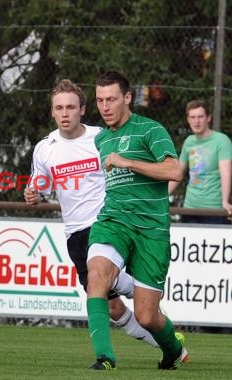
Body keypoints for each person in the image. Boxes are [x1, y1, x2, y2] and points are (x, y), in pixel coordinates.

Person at [24, 79, 161, 349]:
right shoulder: (45, 148)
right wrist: (33, 194)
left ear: (82, 110)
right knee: (113, 309)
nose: (65, 113)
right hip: (75, 232)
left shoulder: (101, 138)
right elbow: (39, 185)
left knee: (102, 284)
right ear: (52, 112)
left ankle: (109, 351)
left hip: (108, 224)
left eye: (71, 107)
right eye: (59, 108)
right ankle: (163, 339)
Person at [85, 70, 188, 370]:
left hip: (151, 231)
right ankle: (105, 357)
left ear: (127, 98)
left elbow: (174, 171)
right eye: (100, 100)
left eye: (112, 99)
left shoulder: (150, 131)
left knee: (147, 316)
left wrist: (128, 161)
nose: (105, 106)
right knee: (97, 277)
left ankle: (173, 350)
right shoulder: (101, 139)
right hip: (113, 221)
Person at [168, 99, 232, 223]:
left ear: (208, 118)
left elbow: (226, 173)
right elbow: (177, 173)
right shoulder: (189, 141)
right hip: (189, 208)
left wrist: (225, 201)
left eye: (200, 116)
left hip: (214, 211)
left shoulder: (222, 140)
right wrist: (162, 196)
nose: (196, 121)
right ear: (188, 119)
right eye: (192, 117)